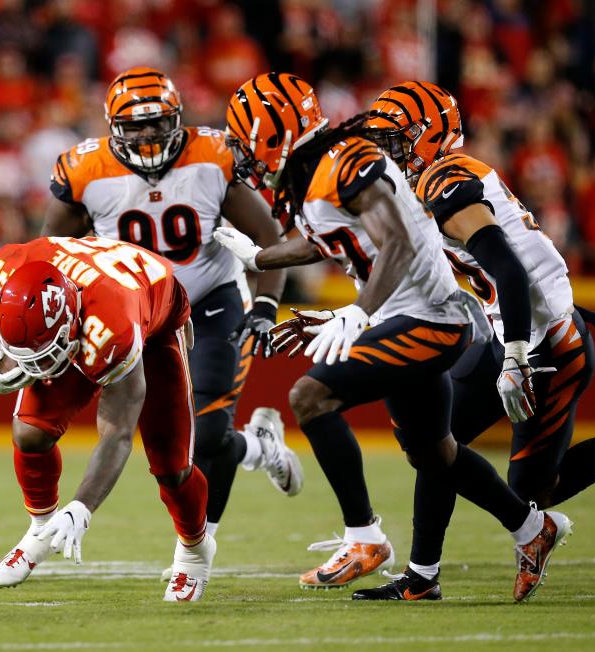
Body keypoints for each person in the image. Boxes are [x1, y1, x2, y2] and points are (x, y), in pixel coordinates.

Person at [213, 72, 570, 601]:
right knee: (435, 453)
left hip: (431, 318)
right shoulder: (322, 167)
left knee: (309, 398)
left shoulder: (342, 163)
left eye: (246, 139)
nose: (242, 153)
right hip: (411, 316)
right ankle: (529, 529)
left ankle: (364, 537)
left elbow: (397, 242)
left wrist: (358, 311)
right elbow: (324, 241)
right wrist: (258, 256)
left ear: (272, 135)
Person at [348, 81, 595, 600]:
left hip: (543, 345)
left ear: (429, 136)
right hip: (512, 327)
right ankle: (421, 577)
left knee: (532, 491)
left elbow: (508, 270)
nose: (386, 153)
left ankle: (522, 532)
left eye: (396, 141)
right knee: (434, 443)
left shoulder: (447, 177)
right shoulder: (429, 184)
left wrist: (515, 357)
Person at [41, 67, 302, 555]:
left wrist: (265, 305)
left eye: (157, 122)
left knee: (203, 433)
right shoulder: (85, 170)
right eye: (135, 125)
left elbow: (269, 239)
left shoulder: (213, 155)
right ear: (111, 125)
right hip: (136, 313)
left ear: (177, 119)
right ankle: (260, 448)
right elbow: (51, 255)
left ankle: (196, 544)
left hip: (209, 301)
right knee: (169, 436)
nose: (146, 134)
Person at [0, 235, 214, 602]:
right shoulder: (11, 266)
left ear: (70, 324)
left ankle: (195, 552)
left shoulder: (112, 329)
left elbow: (117, 432)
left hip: (153, 316)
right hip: (92, 297)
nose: (35, 369)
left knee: (171, 464)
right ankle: (41, 530)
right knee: (29, 432)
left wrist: (81, 508)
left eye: (43, 354)